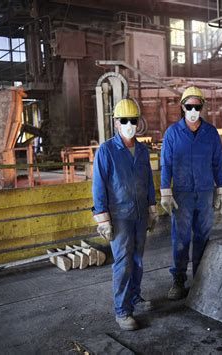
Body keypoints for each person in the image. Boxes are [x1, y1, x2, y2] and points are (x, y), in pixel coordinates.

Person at [92, 98, 157, 331]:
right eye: (124, 121)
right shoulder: (106, 151)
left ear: (138, 122)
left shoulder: (141, 150)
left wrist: (152, 208)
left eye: (133, 120)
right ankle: (122, 311)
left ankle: (135, 296)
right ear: (116, 123)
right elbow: (98, 187)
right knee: (123, 262)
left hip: (139, 213)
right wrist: (103, 219)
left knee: (138, 260)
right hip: (119, 216)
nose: (129, 124)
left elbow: (148, 180)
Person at [160, 86, 222, 300]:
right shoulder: (172, 133)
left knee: (202, 237)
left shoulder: (210, 133)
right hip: (182, 194)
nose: (193, 110)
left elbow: (219, 163)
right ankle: (178, 280)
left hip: (205, 192)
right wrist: (165, 192)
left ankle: (199, 278)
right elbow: (166, 164)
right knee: (180, 238)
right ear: (182, 107)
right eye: (189, 106)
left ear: (202, 107)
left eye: (196, 106)